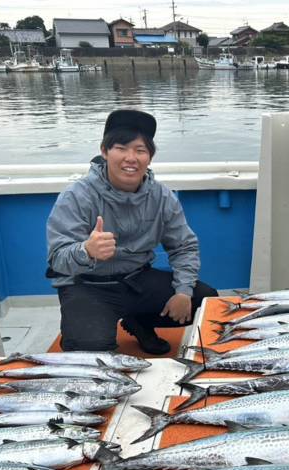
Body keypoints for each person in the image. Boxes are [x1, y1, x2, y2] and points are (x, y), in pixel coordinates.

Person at [46, 109, 217, 354]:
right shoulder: (76, 196)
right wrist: (86, 251)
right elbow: (57, 260)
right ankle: (79, 333)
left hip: (137, 280)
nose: (131, 158)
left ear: (150, 157)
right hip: (88, 285)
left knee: (204, 300)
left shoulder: (161, 196)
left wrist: (183, 291)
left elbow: (184, 246)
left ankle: (139, 322)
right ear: (104, 152)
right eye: (121, 148)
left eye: (140, 150)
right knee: (89, 348)